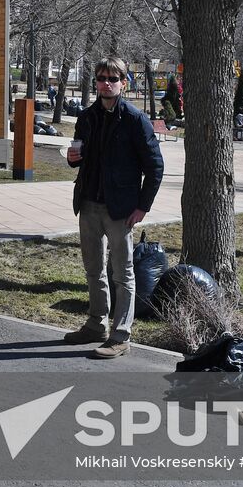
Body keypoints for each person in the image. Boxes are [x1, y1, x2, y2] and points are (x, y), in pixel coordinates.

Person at [64, 58, 165, 360]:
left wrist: (142, 207)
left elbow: (155, 167)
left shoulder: (135, 119)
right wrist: (72, 158)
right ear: (95, 82)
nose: (106, 84)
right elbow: (79, 156)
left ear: (123, 82)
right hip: (88, 204)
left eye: (112, 78)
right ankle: (96, 325)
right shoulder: (87, 117)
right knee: (94, 270)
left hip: (120, 209)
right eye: (101, 78)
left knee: (122, 274)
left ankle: (121, 336)